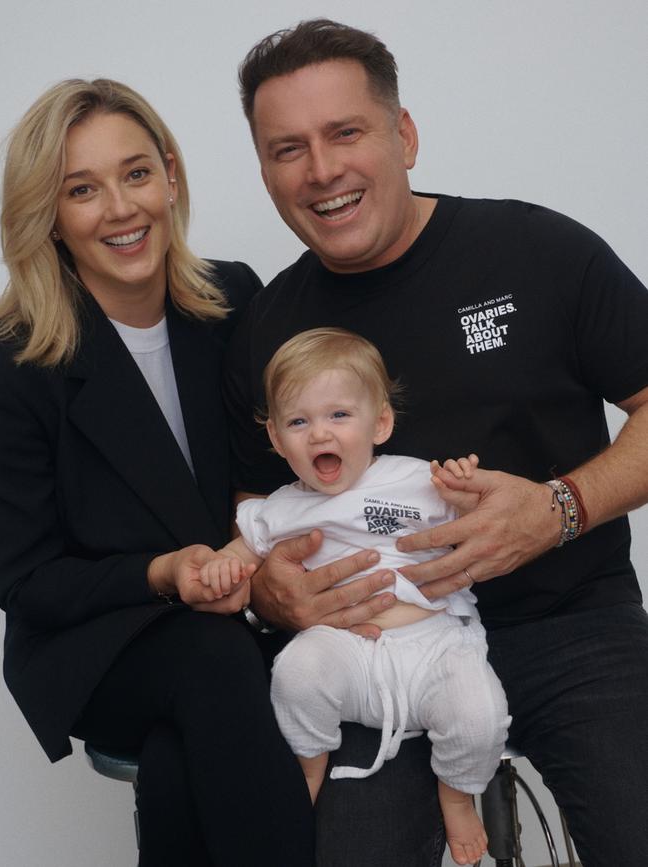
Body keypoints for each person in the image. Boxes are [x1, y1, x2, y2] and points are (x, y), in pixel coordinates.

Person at [225, 18, 648, 867]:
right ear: (266, 168)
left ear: (403, 134)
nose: (322, 171)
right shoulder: (267, 326)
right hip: (372, 645)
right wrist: (273, 592)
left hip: (571, 626)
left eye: (345, 132)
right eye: (287, 148)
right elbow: (250, 501)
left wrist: (560, 508)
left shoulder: (539, 251)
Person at [0, 78, 314, 867]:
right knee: (211, 662)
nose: (120, 208)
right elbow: (26, 578)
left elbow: (297, 454)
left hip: (242, 620)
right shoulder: (15, 361)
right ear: (50, 216)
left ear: (171, 176)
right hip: (99, 640)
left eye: (136, 173)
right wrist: (166, 573)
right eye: (82, 189)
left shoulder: (236, 297)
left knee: (180, 763)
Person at [202, 327, 510, 866]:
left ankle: (458, 793)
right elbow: (245, 549)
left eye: (339, 416)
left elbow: (477, 524)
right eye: (299, 421)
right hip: (347, 653)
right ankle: (309, 760)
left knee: (481, 713)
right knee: (297, 670)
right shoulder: (281, 506)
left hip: (434, 645)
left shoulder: (416, 480)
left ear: (381, 423)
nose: (320, 433)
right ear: (275, 438)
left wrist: (465, 491)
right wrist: (224, 564)